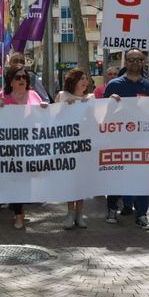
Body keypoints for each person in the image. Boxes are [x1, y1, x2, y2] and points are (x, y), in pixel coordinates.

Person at [103, 49, 149, 231]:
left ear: (143, 63)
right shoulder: (114, 85)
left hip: (141, 141)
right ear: (125, 62)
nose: (135, 62)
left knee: (142, 178)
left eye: (139, 60)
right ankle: (112, 208)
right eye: (132, 59)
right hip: (118, 140)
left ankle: (141, 214)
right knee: (116, 175)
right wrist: (109, 102)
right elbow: (102, 113)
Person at [0, 65, 49, 229]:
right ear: (10, 81)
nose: (22, 80)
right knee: (16, 181)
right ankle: (18, 214)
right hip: (9, 149)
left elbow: (43, 119)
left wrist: (44, 108)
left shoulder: (34, 95)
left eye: (24, 77)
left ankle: (20, 210)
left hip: (30, 147)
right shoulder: (3, 98)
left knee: (26, 182)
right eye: (18, 77)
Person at [56, 69, 95, 229]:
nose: (85, 82)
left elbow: (95, 119)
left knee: (81, 180)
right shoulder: (63, 96)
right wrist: (65, 108)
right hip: (67, 145)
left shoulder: (91, 98)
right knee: (69, 180)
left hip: (85, 146)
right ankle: (70, 212)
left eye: (86, 79)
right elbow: (54, 118)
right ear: (73, 81)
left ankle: (80, 214)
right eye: (81, 79)